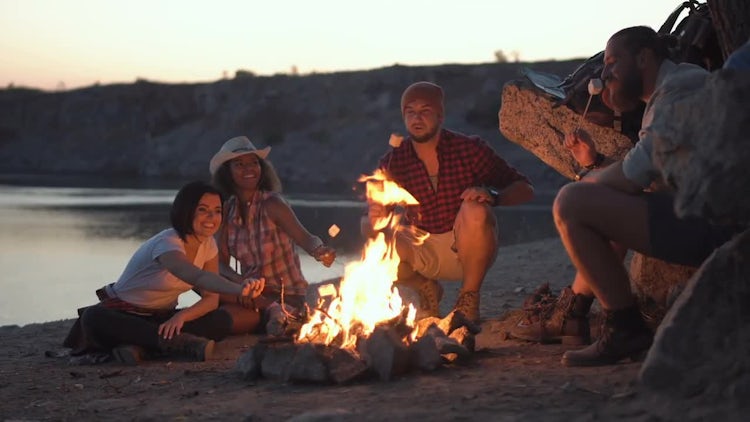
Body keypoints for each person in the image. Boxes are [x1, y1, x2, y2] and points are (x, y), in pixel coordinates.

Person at [544, 26, 737, 367]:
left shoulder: (681, 89)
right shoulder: (669, 91)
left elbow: (635, 176)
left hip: (720, 224)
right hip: (706, 214)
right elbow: (651, 171)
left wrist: (587, 181)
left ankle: (623, 329)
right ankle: (577, 311)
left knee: (570, 203)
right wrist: (596, 165)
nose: (604, 74)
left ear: (644, 58)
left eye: (612, 62)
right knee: (595, 201)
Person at [362, 81, 534, 324]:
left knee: (475, 209)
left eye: (425, 111)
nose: (416, 118)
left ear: (440, 115)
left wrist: (494, 197)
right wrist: (376, 213)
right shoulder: (394, 161)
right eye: (410, 112)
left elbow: (525, 189)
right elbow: (381, 219)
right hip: (423, 249)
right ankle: (425, 287)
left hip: (465, 247)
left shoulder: (469, 149)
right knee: (370, 228)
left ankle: (468, 299)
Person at [64, 181, 265, 364]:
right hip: (123, 314)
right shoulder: (168, 243)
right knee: (93, 316)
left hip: (161, 318)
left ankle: (141, 348)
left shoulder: (208, 244)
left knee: (221, 320)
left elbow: (210, 300)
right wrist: (239, 289)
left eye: (217, 211)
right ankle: (179, 344)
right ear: (186, 211)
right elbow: (196, 276)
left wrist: (182, 317)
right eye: (203, 210)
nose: (212, 218)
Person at [210, 136, 336, 335]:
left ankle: (280, 316)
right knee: (204, 288)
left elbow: (306, 238)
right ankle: (271, 316)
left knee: (224, 317)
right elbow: (219, 264)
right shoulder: (226, 211)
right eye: (239, 164)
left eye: (253, 163)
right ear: (227, 172)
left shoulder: (273, 204)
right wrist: (240, 284)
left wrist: (320, 251)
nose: (249, 169)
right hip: (251, 295)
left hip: (288, 295)